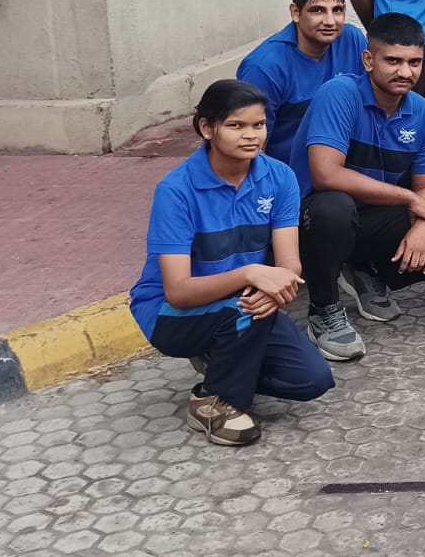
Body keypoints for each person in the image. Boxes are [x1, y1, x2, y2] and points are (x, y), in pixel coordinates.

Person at [129, 80, 333, 446]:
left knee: (312, 380)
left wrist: (275, 292)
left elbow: (290, 264)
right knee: (244, 310)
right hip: (169, 313)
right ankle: (213, 402)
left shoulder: (279, 177)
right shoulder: (176, 191)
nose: (251, 135)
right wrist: (252, 274)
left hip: (242, 302)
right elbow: (178, 292)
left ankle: (223, 358)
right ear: (207, 128)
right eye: (236, 125)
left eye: (259, 125)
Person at [291, 14, 425, 361]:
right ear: (368, 60)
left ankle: (367, 272)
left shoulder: (423, 113)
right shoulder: (339, 94)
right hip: (316, 218)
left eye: (414, 62)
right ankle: (324, 308)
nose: (405, 72)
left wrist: (424, 225)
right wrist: (409, 199)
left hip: (374, 218)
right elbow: (326, 175)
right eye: (393, 61)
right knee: (334, 209)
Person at [236, 0, 368, 166]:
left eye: (337, 10)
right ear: (295, 13)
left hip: (344, 159)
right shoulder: (264, 67)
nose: (330, 21)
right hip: (289, 170)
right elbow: (251, 146)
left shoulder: (352, 40)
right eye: (317, 10)